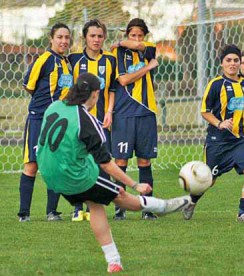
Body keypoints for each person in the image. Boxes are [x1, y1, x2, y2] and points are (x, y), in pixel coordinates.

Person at [36, 73, 190, 273]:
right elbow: (107, 163)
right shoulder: (87, 121)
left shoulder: (54, 106)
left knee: (95, 204)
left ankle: (114, 261)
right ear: (94, 95)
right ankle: (165, 206)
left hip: (48, 173)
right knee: (121, 196)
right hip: (74, 176)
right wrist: (136, 184)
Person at [183, 44, 244, 222]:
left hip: (240, 139)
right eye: (229, 60)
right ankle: (191, 202)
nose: (233, 64)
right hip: (218, 141)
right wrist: (220, 123)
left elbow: (242, 107)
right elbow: (204, 111)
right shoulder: (215, 85)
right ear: (222, 63)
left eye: (236, 60)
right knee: (209, 179)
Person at [17, 23, 73, 222]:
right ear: (51, 38)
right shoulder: (44, 59)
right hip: (38, 119)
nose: (64, 41)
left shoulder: (67, 63)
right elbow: (28, 86)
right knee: (31, 164)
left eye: (67, 37)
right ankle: (24, 213)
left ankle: (52, 211)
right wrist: (43, 106)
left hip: (57, 121)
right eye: (60, 37)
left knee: (54, 166)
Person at [110, 18, 159, 220]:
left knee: (144, 161)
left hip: (146, 112)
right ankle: (119, 208)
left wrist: (126, 42)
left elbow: (141, 46)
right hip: (123, 113)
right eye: (132, 35)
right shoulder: (118, 52)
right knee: (120, 160)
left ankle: (148, 208)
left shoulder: (149, 50)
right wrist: (148, 67)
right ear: (126, 36)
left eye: (140, 35)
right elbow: (123, 80)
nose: (137, 39)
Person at [68, 19, 116, 222]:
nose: (96, 39)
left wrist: (110, 111)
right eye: (92, 36)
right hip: (80, 120)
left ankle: (98, 206)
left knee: (102, 162)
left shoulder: (111, 60)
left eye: (100, 36)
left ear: (104, 37)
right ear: (84, 38)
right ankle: (78, 208)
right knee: (79, 161)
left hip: (102, 120)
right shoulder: (74, 60)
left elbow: (112, 88)